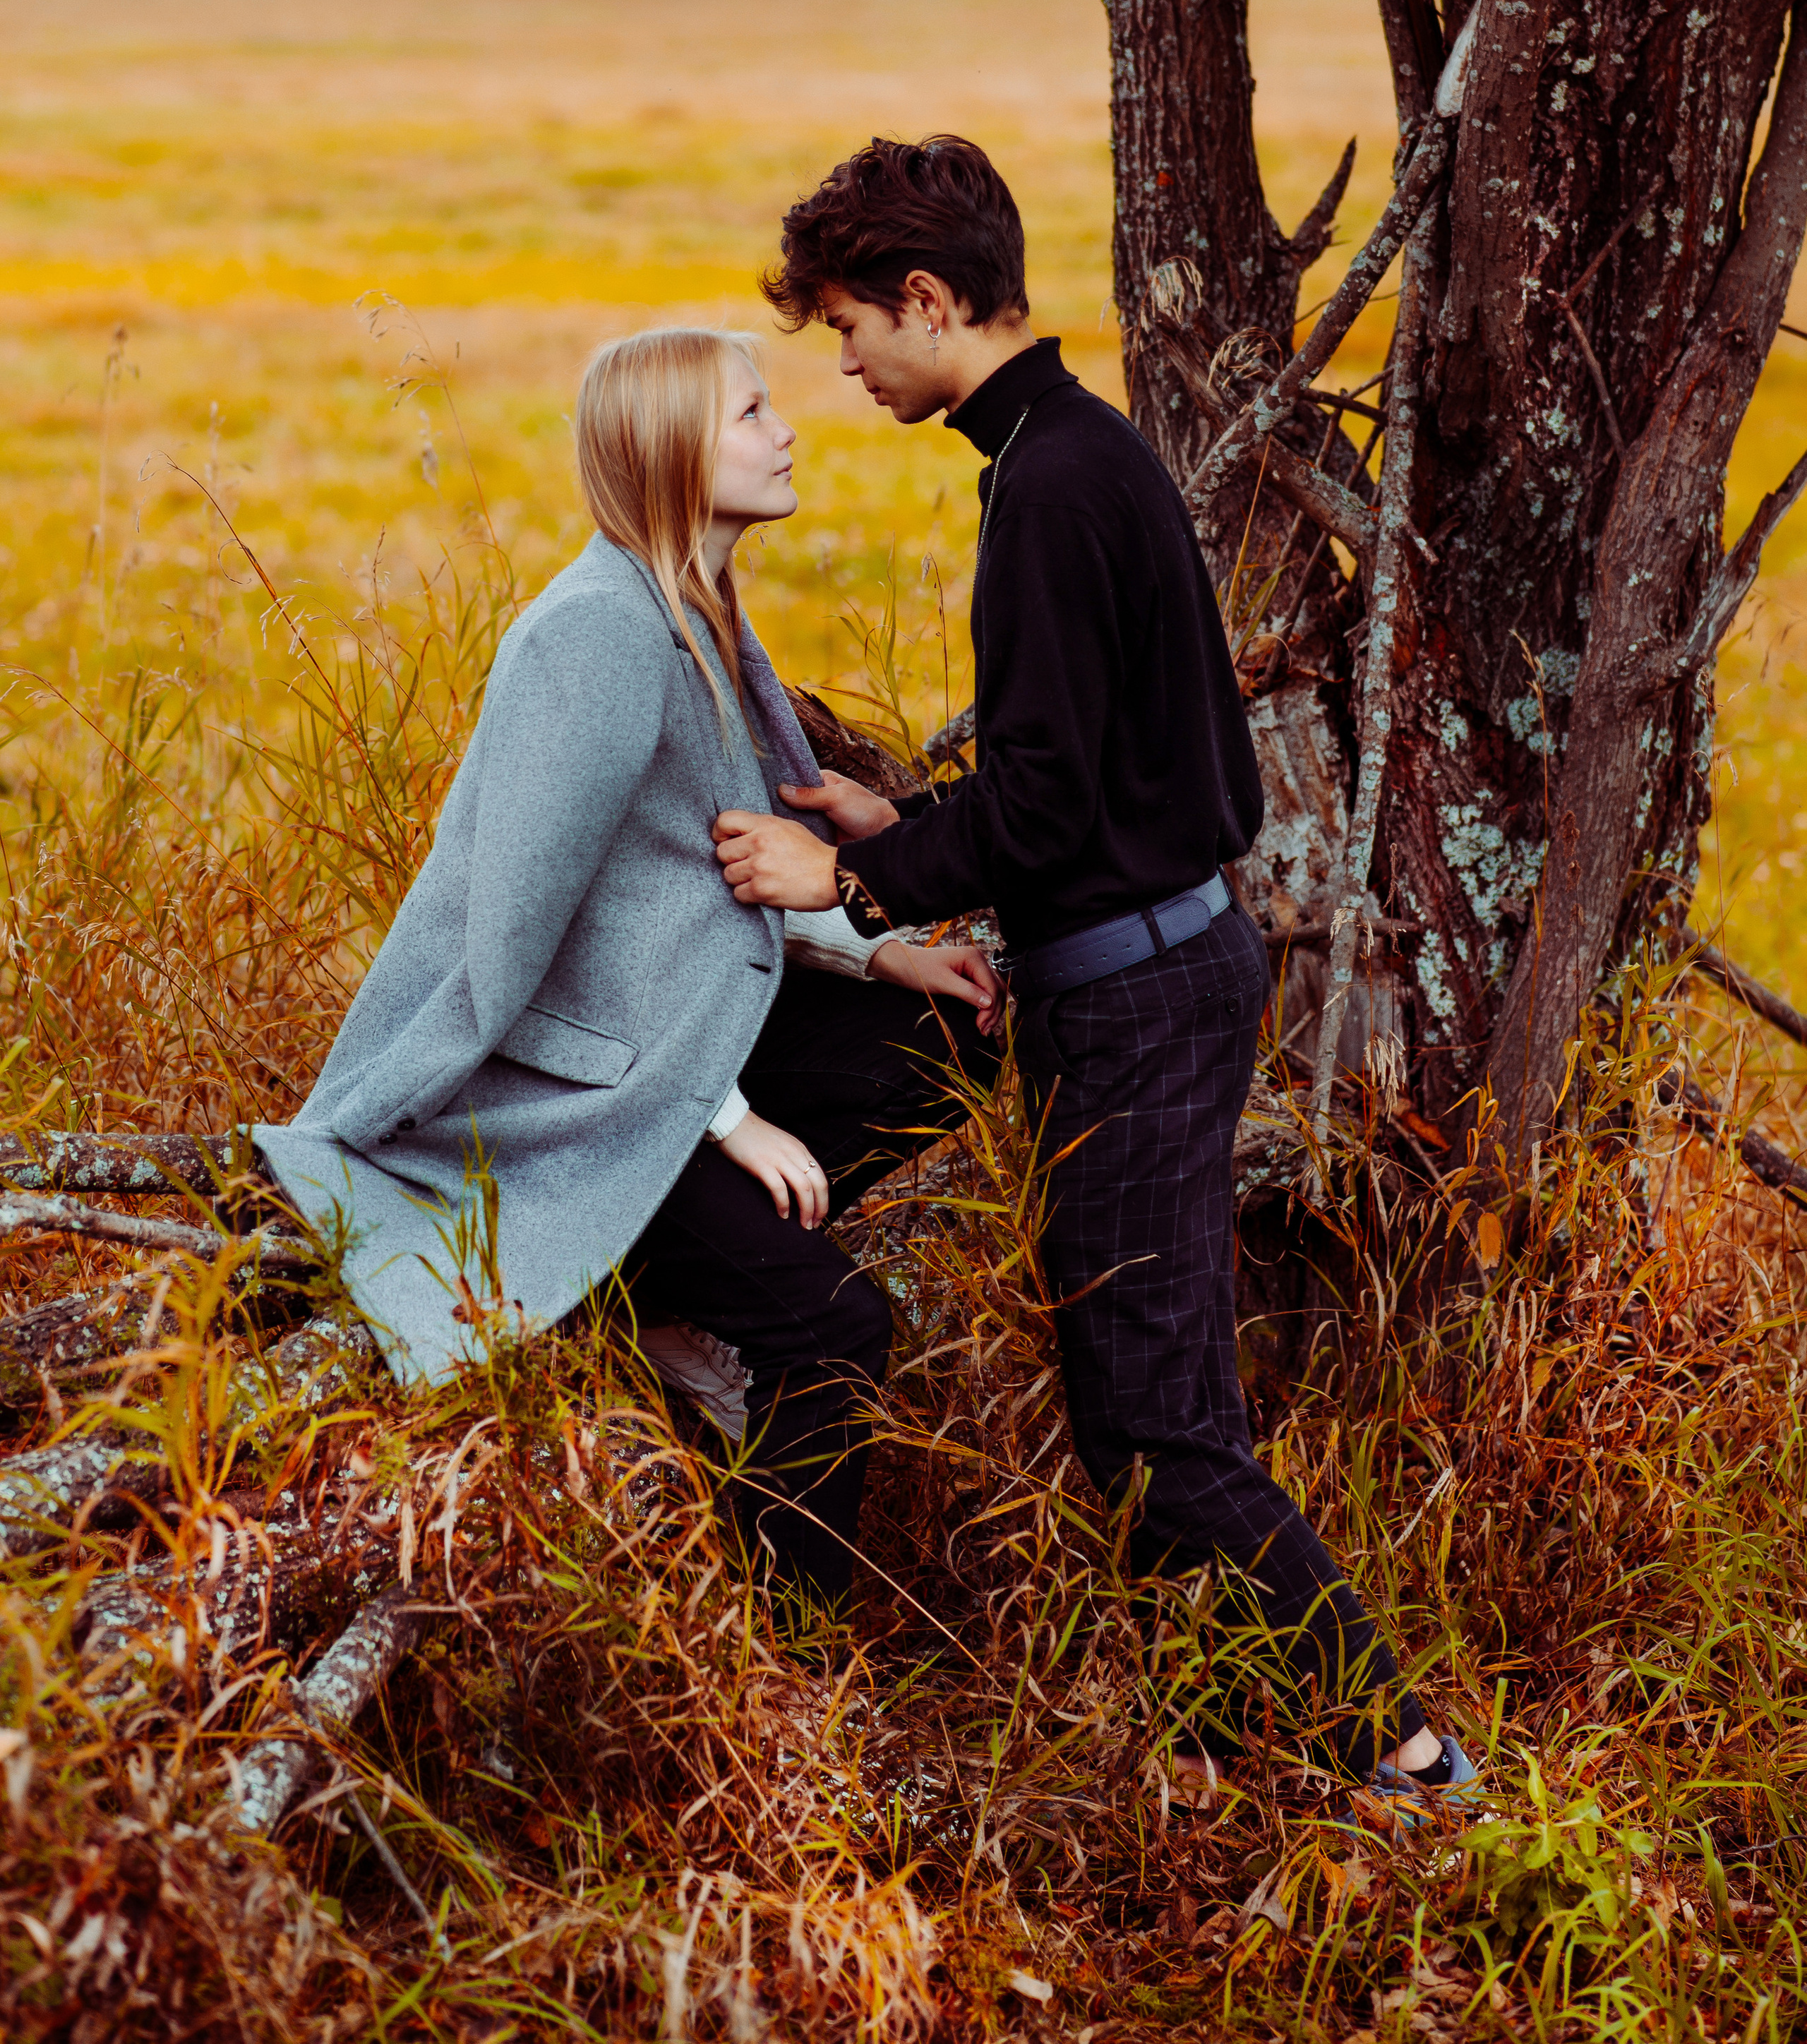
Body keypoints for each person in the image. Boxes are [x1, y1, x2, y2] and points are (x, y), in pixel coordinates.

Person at [712, 136, 1475, 1805]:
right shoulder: (1069, 452)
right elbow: (1147, 776)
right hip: (1158, 970)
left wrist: (851, 871)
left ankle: (1406, 1760)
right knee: (1143, 1413)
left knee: (1157, 1424)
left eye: (848, 327)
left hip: (1129, 998)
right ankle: (1216, 1753)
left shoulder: (1052, 485)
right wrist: (908, 813)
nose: (839, 366)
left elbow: (1055, 804)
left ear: (926, 299)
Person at [259, 325, 999, 1612]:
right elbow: (518, 941)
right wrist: (722, 1121)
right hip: (559, 1094)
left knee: (946, 1043)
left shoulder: (695, 609)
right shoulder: (596, 637)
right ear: (671, 449)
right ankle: (789, 1647)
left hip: (670, 1039)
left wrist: (880, 954)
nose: (788, 429)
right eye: (752, 413)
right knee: (836, 1327)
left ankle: (652, 1293)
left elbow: (711, 867)